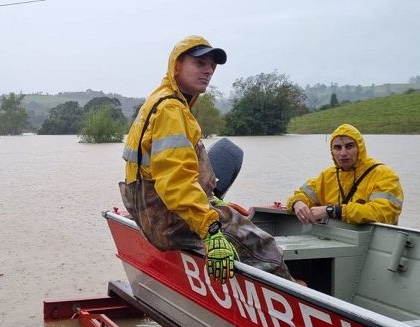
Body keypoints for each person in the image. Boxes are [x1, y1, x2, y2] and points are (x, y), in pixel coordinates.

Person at [119, 35, 296, 285]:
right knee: (265, 248)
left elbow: (174, 171)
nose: (209, 70)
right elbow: (176, 183)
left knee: (233, 213)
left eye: (212, 65)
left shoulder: (163, 100)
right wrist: (211, 229)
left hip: (154, 209)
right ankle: (294, 305)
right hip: (168, 217)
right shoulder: (171, 110)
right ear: (177, 65)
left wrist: (214, 203)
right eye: (200, 63)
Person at [287, 123, 403, 225]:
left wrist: (332, 211)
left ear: (360, 148)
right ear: (332, 151)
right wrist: (297, 203)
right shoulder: (327, 175)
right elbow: (301, 195)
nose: (343, 153)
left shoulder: (384, 175)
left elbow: (383, 213)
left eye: (349, 146)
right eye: (337, 148)